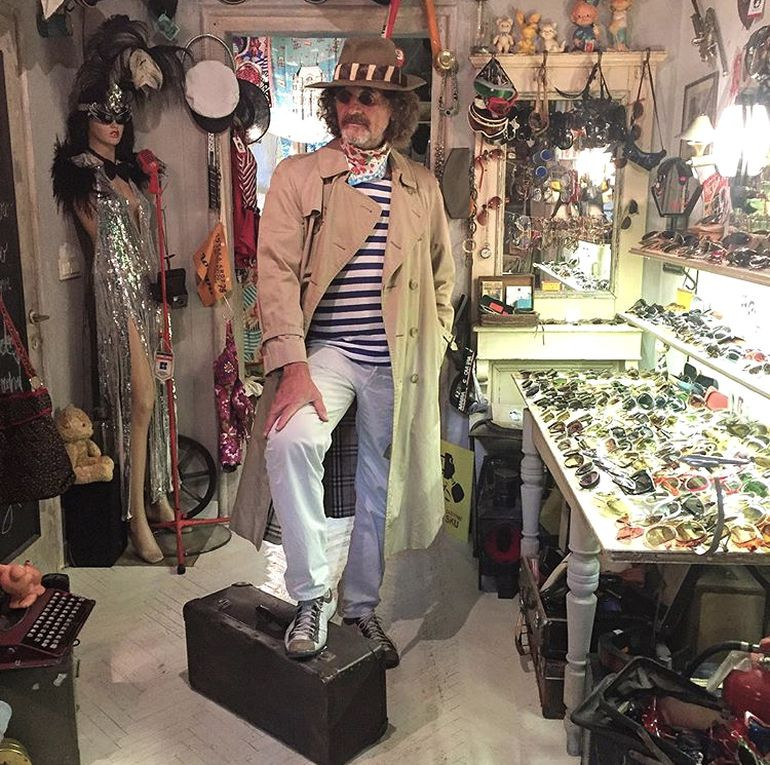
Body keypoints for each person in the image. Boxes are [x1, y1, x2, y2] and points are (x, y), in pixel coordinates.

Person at [231, 37, 455, 667]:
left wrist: (434, 343)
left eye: (373, 97)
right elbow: (275, 272)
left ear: (395, 109)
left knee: (380, 484)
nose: (357, 107)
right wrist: (291, 366)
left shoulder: (420, 186)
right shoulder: (299, 176)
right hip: (324, 352)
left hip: (398, 359)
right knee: (290, 441)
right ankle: (310, 596)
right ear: (333, 105)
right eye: (348, 96)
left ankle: (360, 607)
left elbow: (443, 277)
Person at [52, 17, 185, 563]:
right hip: (117, 293)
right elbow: (104, 247)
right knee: (140, 399)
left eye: (119, 116)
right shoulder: (82, 173)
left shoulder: (127, 174)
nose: (112, 124)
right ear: (85, 117)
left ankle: (156, 492)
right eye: (103, 115)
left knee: (158, 395)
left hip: (146, 293)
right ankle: (133, 516)